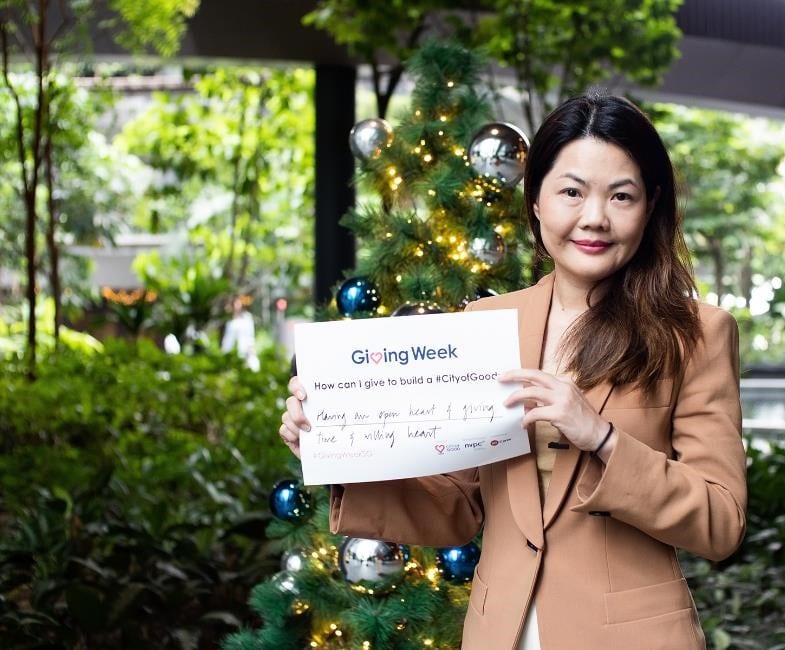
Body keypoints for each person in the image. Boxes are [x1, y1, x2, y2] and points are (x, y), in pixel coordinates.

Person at [279, 92, 746, 649]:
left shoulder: (695, 334)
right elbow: (458, 508)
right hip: (501, 633)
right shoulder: (485, 323)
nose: (594, 217)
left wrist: (600, 438)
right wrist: (337, 452)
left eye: (621, 195)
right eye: (571, 192)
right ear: (536, 202)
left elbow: (720, 522)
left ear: (650, 206)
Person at [222, 295, 260, 371]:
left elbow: (250, 335)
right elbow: (226, 336)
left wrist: (251, 349)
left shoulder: (247, 317)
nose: (237, 305)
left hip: (243, 350)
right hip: (230, 350)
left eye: (239, 303)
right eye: (235, 303)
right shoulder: (228, 319)